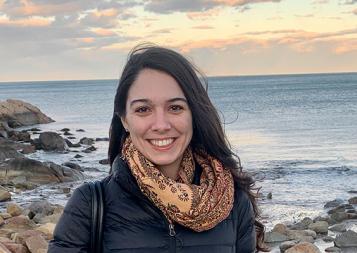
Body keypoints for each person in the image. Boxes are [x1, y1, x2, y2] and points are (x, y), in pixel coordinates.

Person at [48, 44, 266, 253]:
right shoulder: (90, 204)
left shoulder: (232, 201)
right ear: (124, 119)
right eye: (143, 109)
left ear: (194, 114)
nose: (161, 125)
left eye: (175, 107)